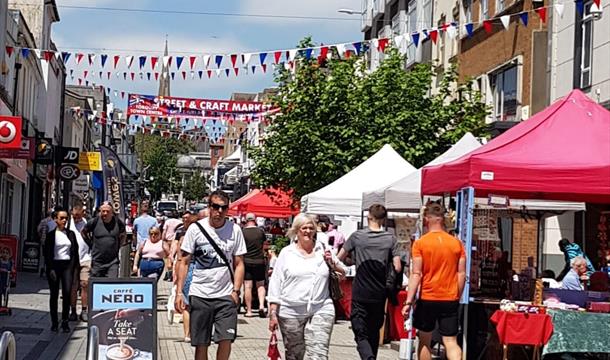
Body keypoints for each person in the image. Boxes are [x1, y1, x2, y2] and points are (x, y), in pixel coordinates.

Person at [175, 190, 246, 360]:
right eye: (215, 207)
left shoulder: (234, 230)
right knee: (201, 343)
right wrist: (179, 292)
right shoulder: (196, 229)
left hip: (225, 295)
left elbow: (239, 263)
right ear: (209, 207)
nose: (219, 211)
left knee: (226, 339)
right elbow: (183, 261)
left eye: (223, 207)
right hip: (200, 294)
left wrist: (236, 291)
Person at [267, 214, 344, 360]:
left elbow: (343, 271)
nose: (308, 231)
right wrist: (273, 313)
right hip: (290, 311)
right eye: (304, 228)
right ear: (297, 231)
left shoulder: (322, 250)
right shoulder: (287, 253)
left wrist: (332, 263)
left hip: (321, 307)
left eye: (311, 228)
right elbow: (275, 284)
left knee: (318, 354)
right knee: (294, 354)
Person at [401, 203, 466, 360]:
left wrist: (408, 301)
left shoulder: (421, 243)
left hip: (428, 297)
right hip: (450, 297)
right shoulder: (456, 243)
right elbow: (461, 273)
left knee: (424, 340)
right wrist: (457, 294)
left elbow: (416, 273)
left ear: (426, 219)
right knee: (451, 341)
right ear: (442, 219)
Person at [337, 204, 401, 360]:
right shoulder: (391, 239)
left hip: (361, 289)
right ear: (384, 219)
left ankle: (368, 357)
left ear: (369, 217)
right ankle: (371, 355)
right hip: (380, 292)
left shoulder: (357, 236)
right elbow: (398, 267)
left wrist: (352, 262)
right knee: (374, 329)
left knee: (359, 328)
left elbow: (338, 258)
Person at [44, 208, 79, 333]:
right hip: (54, 265)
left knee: (67, 293)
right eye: (61, 218)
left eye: (66, 218)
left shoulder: (70, 234)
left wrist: (75, 268)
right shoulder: (51, 235)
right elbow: (47, 253)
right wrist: (50, 268)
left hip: (67, 265)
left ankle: (65, 321)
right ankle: (54, 322)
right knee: (54, 294)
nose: (64, 220)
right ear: (55, 219)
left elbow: (75, 252)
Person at [82, 202, 128, 278]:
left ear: (112, 213)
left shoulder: (118, 222)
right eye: (103, 211)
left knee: (111, 285)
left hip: (112, 262)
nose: (105, 213)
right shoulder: (94, 221)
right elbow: (83, 232)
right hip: (97, 262)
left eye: (107, 211)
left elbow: (123, 234)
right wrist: (91, 244)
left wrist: (119, 245)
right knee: (96, 285)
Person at [174, 210, 199, 343]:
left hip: (189, 271)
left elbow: (180, 259)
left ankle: (187, 334)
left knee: (187, 305)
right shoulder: (205, 236)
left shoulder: (184, 238)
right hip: (200, 271)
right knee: (200, 305)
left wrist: (177, 278)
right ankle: (198, 332)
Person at [242, 213, 268, 318]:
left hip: (246, 261)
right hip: (259, 261)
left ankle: (249, 310)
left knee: (248, 286)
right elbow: (265, 245)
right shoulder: (260, 232)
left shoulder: (243, 232)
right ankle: (261, 305)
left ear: (245, 220)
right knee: (260, 285)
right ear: (255, 219)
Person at [68, 203, 90, 322]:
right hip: (71, 259)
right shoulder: (68, 223)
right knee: (73, 285)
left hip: (85, 258)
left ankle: (84, 310)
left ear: (83, 213)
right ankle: (73, 311)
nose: (76, 219)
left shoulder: (87, 224)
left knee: (84, 284)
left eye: (78, 216)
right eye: (74, 216)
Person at [162, 212, 183, 281]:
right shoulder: (180, 222)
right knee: (174, 256)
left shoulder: (167, 221)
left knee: (167, 257)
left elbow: (164, 231)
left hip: (167, 240)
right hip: (176, 240)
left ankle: (167, 273)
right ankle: (172, 272)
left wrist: (162, 240)